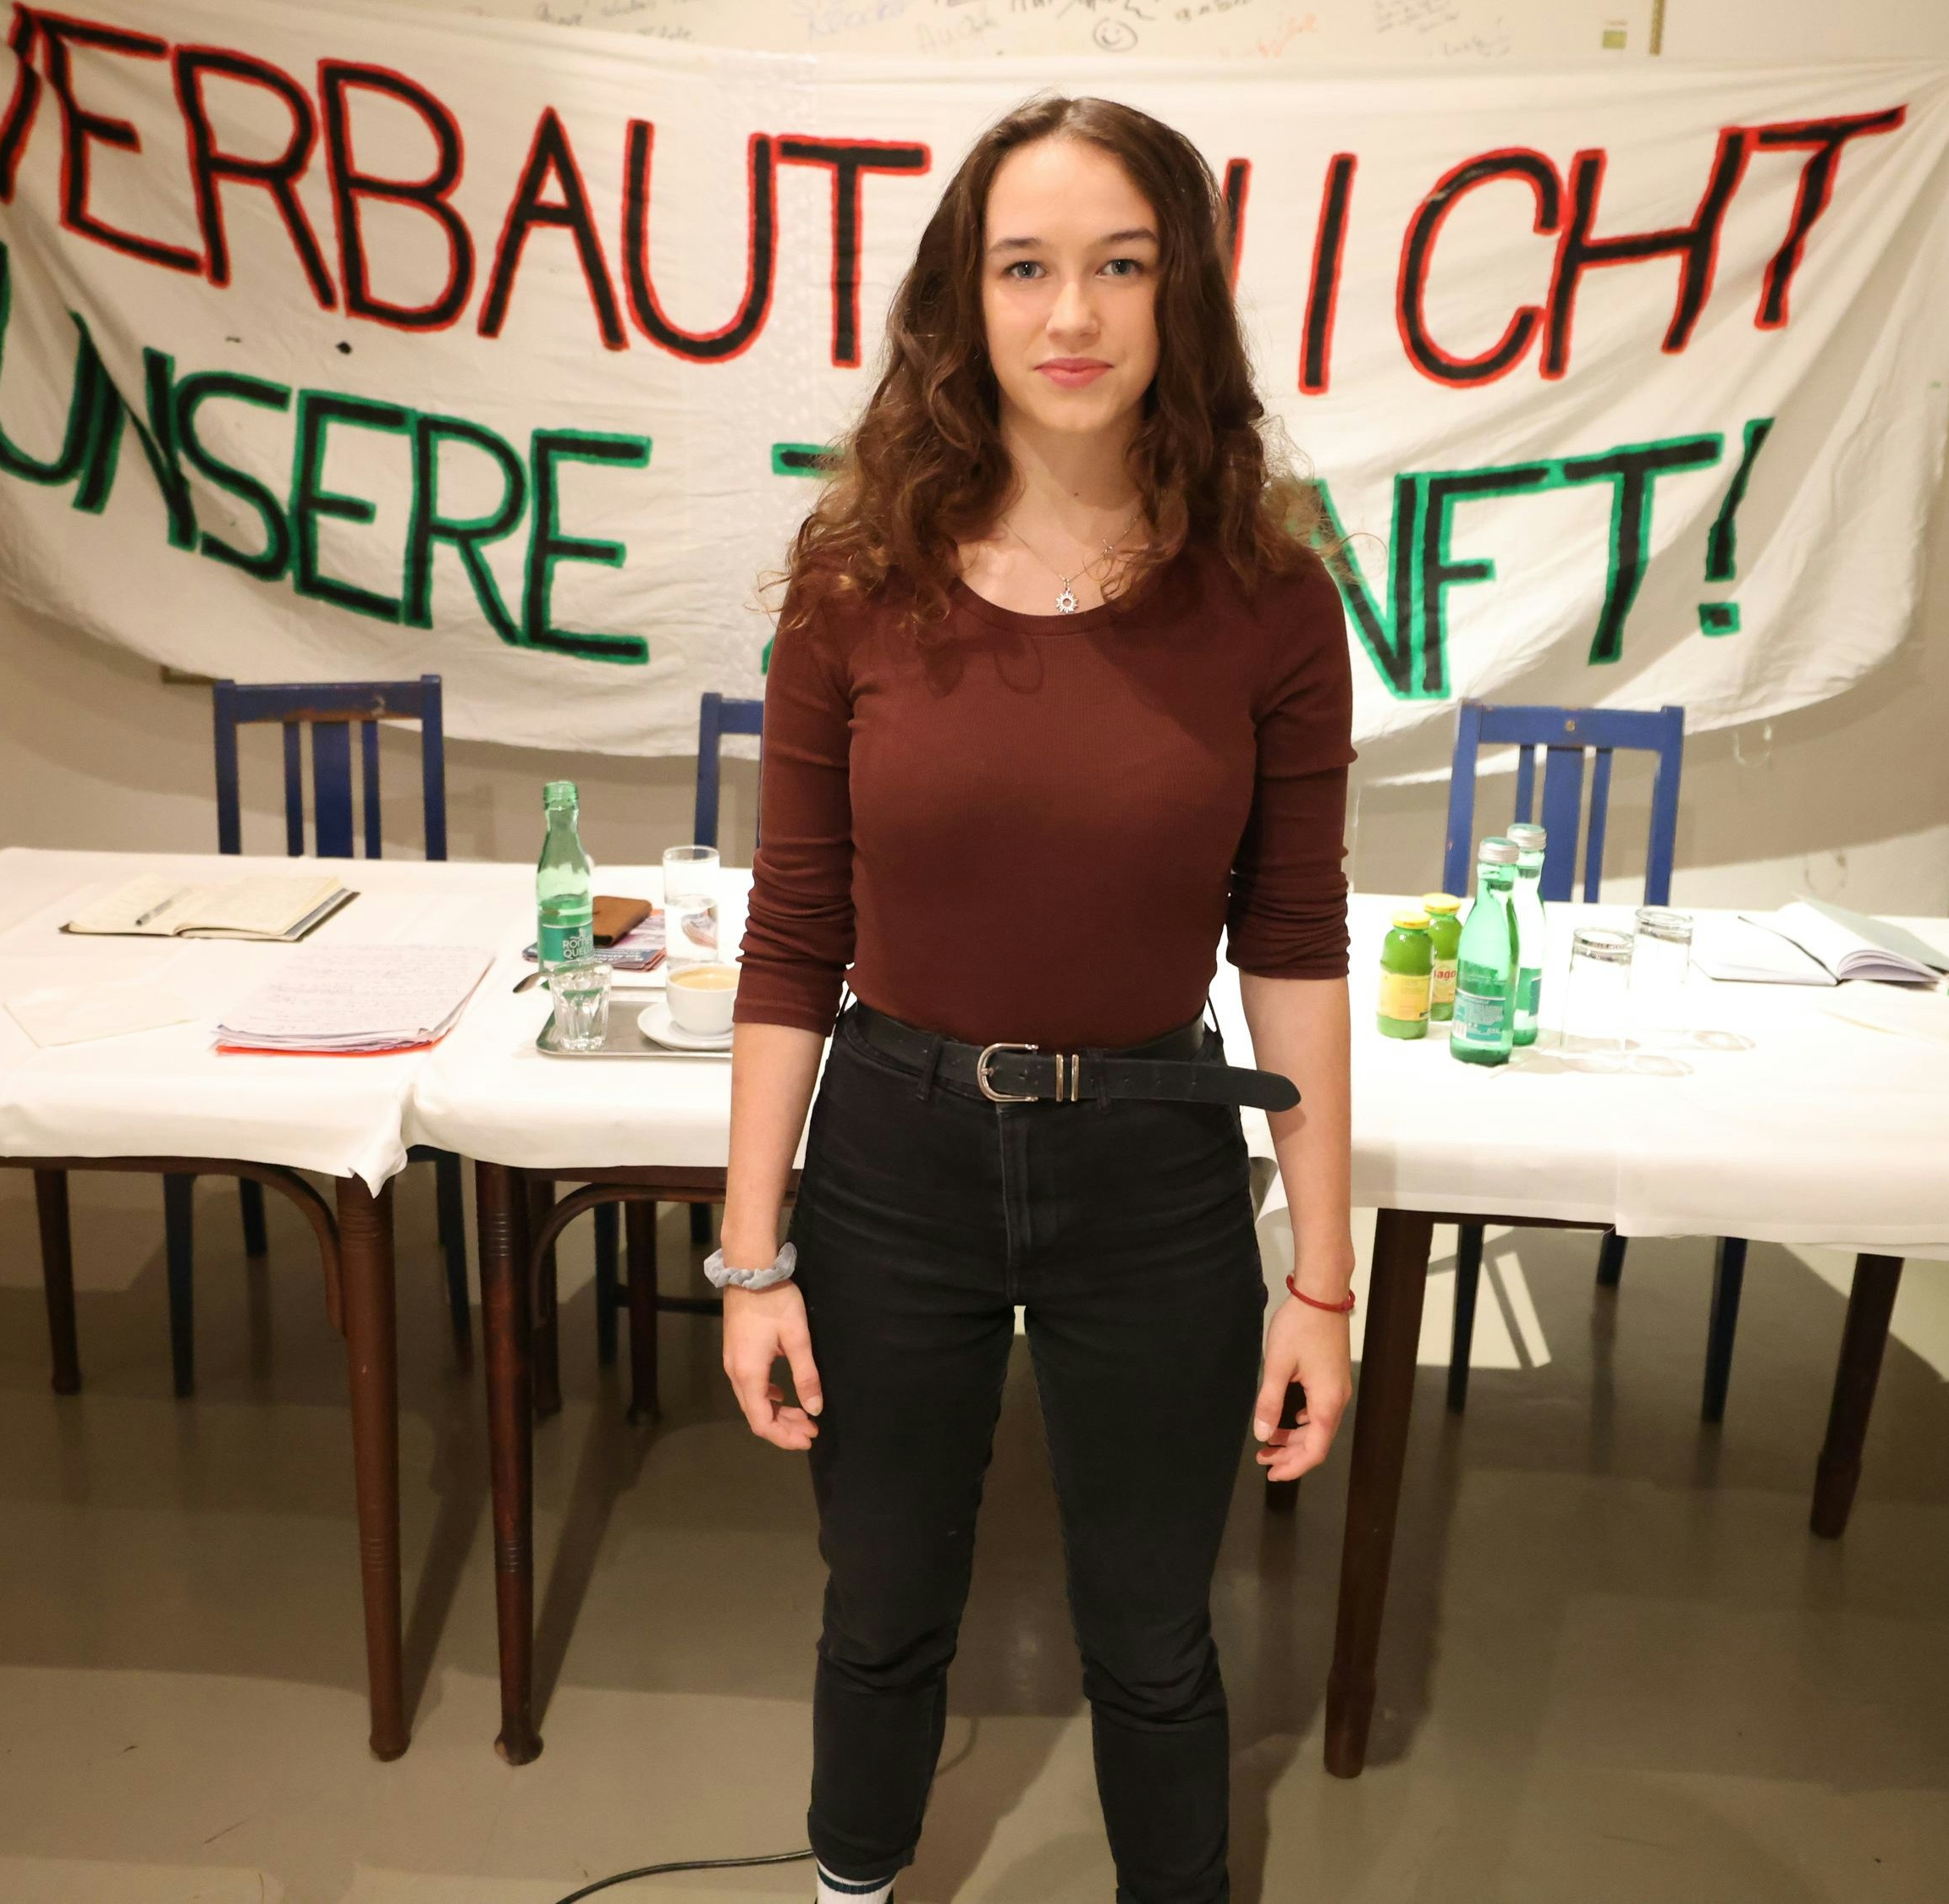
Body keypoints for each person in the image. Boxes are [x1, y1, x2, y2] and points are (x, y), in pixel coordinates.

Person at [710, 96, 1359, 1904]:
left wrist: (1320, 1281)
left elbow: (1292, 944)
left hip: (1152, 1165)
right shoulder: (855, 585)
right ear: (964, 301)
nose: (1071, 312)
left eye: (1119, 265)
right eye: (1024, 268)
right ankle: (854, 1885)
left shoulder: (1267, 603)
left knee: (1152, 1633)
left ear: (1179, 296)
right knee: (881, 1608)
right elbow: (793, 933)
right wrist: (750, 1257)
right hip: (892, 1159)